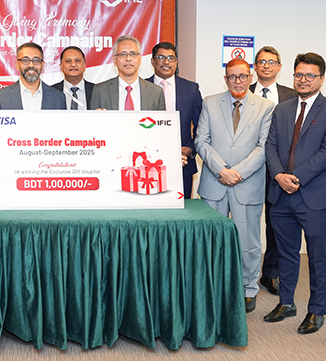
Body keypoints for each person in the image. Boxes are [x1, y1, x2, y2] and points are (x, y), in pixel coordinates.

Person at [263, 53, 326, 334]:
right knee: (286, 253)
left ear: (321, 78)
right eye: (299, 74)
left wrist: (296, 178)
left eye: (310, 75)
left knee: (318, 256)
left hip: (314, 196)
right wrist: (279, 175)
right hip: (281, 195)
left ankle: (316, 309)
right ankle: (286, 302)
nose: (303, 80)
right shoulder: (282, 109)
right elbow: (270, 146)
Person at [194, 58, 275, 313]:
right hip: (214, 183)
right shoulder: (209, 103)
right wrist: (221, 170)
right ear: (225, 79)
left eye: (242, 76)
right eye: (232, 77)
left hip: (247, 185)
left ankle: (248, 288)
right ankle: (213, 287)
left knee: (247, 241)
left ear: (251, 77)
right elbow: (201, 141)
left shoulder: (266, 107)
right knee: (211, 241)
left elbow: (264, 147)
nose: (237, 81)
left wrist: (236, 173)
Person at [250, 46, 299, 296]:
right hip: (248, 169)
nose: (266, 66)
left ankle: (271, 273)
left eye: (272, 62)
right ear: (255, 66)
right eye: (262, 61)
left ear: (279, 67)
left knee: (276, 224)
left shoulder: (293, 95)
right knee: (247, 223)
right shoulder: (242, 90)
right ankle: (244, 274)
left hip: (278, 170)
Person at [146, 42, 202, 198]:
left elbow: (202, 126)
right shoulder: (141, 87)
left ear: (176, 62)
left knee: (183, 208)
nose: (166, 62)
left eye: (171, 58)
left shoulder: (191, 89)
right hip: (148, 162)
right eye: (161, 57)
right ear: (152, 61)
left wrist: (191, 149)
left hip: (183, 163)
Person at [91, 35, 165, 111]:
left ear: (140, 59)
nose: (128, 58)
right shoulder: (100, 91)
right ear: (114, 60)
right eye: (123, 54)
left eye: (133, 54)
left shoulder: (156, 92)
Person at [0, 42, 65, 110]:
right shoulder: (1, 97)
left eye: (36, 60)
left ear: (42, 65)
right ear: (17, 64)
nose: (31, 65)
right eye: (25, 60)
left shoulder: (58, 97)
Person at [52, 46, 94, 110]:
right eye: (68, 61)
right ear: (61, 66)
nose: (73, 64)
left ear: (84, 65)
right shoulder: (51, 92)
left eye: (77, 61)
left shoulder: (96, 91)